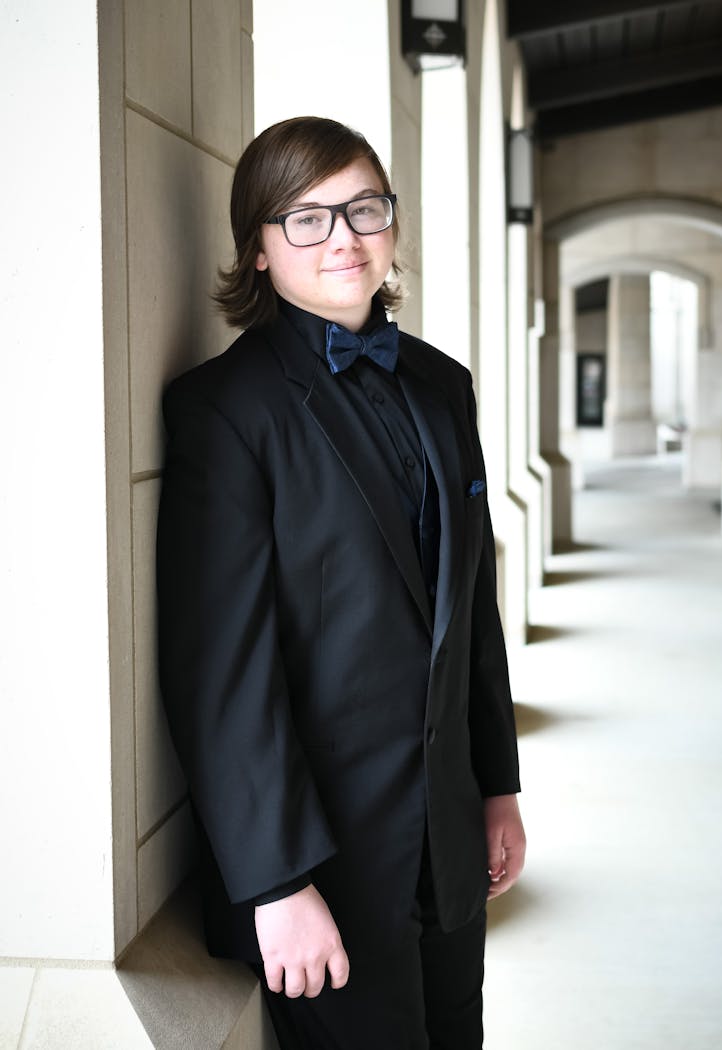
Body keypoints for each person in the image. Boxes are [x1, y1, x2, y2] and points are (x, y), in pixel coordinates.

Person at [157, 115, 525, 1050]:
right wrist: (276, 882)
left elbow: (468, 608)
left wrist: (495, 787)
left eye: (364, 208)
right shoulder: (225, 411)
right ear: (259, 246)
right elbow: (221, 671)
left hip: (448, 841)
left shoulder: (445, 385)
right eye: (307, 219)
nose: (345, 239)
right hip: (327, 867)